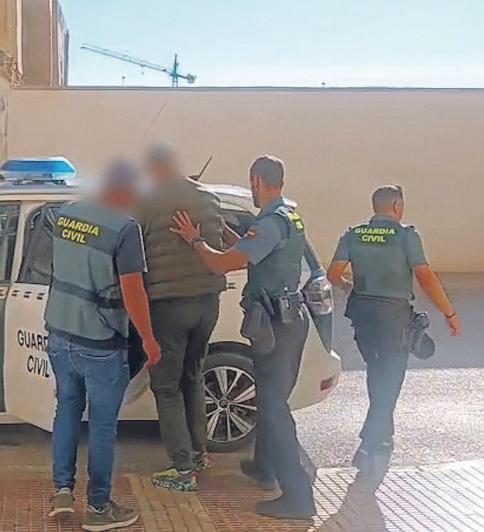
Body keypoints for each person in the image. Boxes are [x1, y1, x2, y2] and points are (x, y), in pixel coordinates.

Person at [171, 155, 316, 520]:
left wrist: (195, 240)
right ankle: (264, 467)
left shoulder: (269, 223)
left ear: (256, 181)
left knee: (275, 408)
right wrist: (228, 234)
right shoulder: (288, 216)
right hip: (288, 318)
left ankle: (298, 497)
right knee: (271, 398)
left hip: (276, 325)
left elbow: (223, 264)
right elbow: (259, 255)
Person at [45, 160, 161, 531]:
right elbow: (133, 291)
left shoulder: (66, 214)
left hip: (60, 333)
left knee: (66, 410)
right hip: (100, 342)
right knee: (102, 426)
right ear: (124, 190)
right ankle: (98, 507)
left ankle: (62, 491)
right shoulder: (125, 228)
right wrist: (148, 338)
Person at [327, 185, 461, 477]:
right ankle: (368, 444)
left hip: (362, 316)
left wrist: (351, 288)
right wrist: (449, 312)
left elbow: (333, 275)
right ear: (397, 206)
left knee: (377, 373)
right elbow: (425, 277)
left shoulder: (354, 234)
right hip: (393, 319)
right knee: (390, 381)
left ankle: (384, 437)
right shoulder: (406, 236)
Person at [139, 144, 225, 492]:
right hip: (208, 302)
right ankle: (199, 454)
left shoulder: (148, 201)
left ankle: (182, 469)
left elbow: (133, 250)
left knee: (166, 386)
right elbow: (220, 242)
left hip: (169, 304)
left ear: (155, 167)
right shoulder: (209, 197)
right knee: (193, 375)